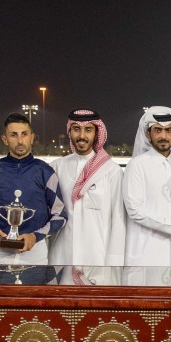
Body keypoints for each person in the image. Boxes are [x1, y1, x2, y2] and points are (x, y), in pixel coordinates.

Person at [123, 106, 171, 267]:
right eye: (158, 130)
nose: (163, 136)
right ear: (148, 134)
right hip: (146, 252)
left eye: (168, 131)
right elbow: (135, 211)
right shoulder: (137, 165)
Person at [0, 113, 65, 266]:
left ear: (32, 137)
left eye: (24, 134)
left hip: (35, 251)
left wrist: (35, 236)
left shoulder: (46, 172)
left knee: (34, 291)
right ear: (5, 139)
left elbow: (60, 215)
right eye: (13, 135)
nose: (20, 141)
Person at [49, 109, 126, 267]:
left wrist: (114, 262)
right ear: (69, 132)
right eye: (76, 129)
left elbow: (118, 219)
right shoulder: (56, 167)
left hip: (98, 256)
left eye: (88, 130)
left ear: (97, 133)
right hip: (62, 254)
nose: (82, 135)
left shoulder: (111, 171)